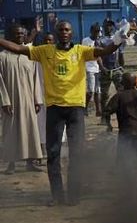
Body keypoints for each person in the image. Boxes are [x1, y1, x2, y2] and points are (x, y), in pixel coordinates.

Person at [0, 20, 123, 205]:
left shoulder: (81, 51)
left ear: (71, 33)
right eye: (61, 30)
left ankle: (74, 195)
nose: (64, 32)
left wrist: (119, 39)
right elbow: (18, 49)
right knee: (53, 154)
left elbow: (105, 51)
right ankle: (57, 196)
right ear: (56, 33)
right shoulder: (44, 51)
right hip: (55, 109)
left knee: (77, 153)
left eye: (67, 29)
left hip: (76, 109)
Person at [1, 23, 45, 174]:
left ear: (25, 36)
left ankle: (30, 162)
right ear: (11, 36)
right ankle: (11, 164)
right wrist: (4, 101)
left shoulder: (30, 56)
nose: (19, 36)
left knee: (30, 130)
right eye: (16, 34)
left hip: (28, 99)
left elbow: (35, 79)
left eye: (21, 34)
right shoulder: (3, 56)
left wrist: (37, 99)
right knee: (10, 131)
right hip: (11, 100)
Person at [96, 19, 124, 132]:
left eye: (111, 25)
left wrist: (122, 66)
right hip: (105, 70)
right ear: (104, 26)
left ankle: (122, 116)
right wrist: (102, 68)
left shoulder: (117, 38)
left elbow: (121, 53)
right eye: (107, 25)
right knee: (104, 96)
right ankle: (105, 119)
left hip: (117, 69)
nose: (109, 27)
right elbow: (98, 55)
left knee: (121, 93)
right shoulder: (100, 40)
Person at [81, 24, 101, 116]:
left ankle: (98, 110)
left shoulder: (99, 41)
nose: (97, 33)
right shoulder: (85, 41)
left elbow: (100, 54)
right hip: (89, 67)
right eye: (95, 31)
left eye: (98, 31)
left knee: (98, 90)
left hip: (97, 67)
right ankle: (85, 107)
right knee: (91, 90)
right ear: (91, 31)